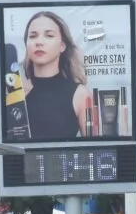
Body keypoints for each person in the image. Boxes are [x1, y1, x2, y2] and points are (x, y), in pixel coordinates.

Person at [20, 11, 94, 140]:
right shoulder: (16, 93)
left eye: (48, 35)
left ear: (62, 46)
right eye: (33, 36)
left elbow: (96, 151)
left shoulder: (79, 94)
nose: (39, 42)